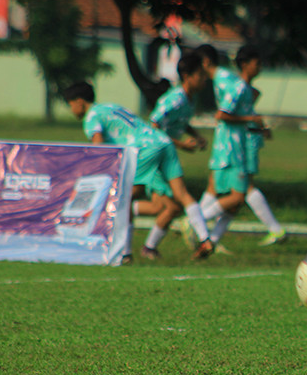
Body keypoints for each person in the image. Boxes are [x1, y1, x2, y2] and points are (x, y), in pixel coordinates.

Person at [62, 81, 214, 261]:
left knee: (123, 199)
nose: (72, 110)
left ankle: (125, 253)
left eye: (71, 105)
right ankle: (205, 239)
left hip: (143, 149)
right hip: (163, 141)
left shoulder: (91, 117)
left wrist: (92, 170)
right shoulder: (110, 106)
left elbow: (98, 145)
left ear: (79, 102)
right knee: (181, 193)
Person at [194, 45, 285, 250]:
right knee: (231, 190)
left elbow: (237, 104)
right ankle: (201, 228)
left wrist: (255, 123)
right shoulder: (231, 81)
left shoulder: (226, 78)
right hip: (233, 143)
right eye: (257, 63)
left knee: (239, 191)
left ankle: (201, 227)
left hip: (238, 142)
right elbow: (228, 110)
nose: (260, 67)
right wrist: (252, 120)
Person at [138, 51, 210, 259]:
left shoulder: (189, 99)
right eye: (201, 75)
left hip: (166, 152)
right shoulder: (174, 99)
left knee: (169, 207)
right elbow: (153, 126)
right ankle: (205, 240)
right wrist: (181, 144)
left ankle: (148, 248)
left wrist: (196, 135)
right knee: (178, 198)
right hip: (156, 154)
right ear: (188, 76)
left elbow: (180, 122)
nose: (204, 80)